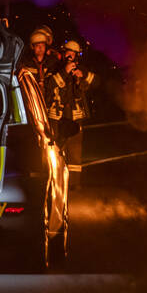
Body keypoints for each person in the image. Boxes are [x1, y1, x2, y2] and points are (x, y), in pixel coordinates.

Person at [45, 39, 96, 187]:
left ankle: (74, 185)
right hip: (57, 115)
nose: (70, 55)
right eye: (68, 51)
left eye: (73, 53)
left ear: (77, 56)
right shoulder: (55, 67)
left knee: (74, 152)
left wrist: (82, 76)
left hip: (75, 116)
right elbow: (49, 85)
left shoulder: (81, 69)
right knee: (54, 149)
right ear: (63, 52)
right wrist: (64, 71)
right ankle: (54, 183)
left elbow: (96, 82)